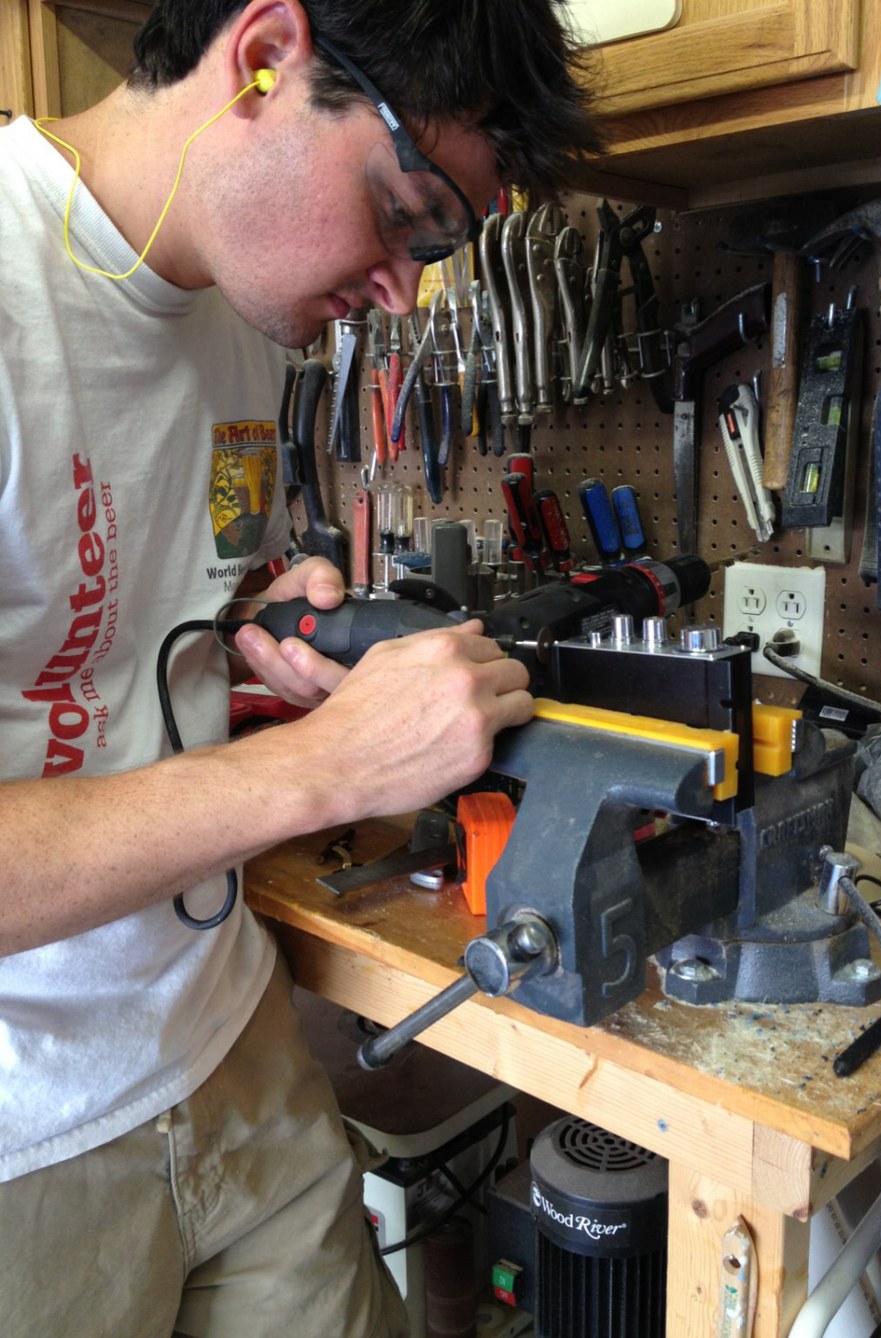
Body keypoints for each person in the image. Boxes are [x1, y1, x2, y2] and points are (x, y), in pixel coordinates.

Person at [0, 1, 600, 1333]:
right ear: (265, 57)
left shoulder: (234, 306)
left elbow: (122, 621)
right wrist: (324, 764)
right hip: (24, 1152)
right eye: (405, 213)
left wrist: (252, 616)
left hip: (229, 1048)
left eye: (441, 248)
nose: (402, 288)